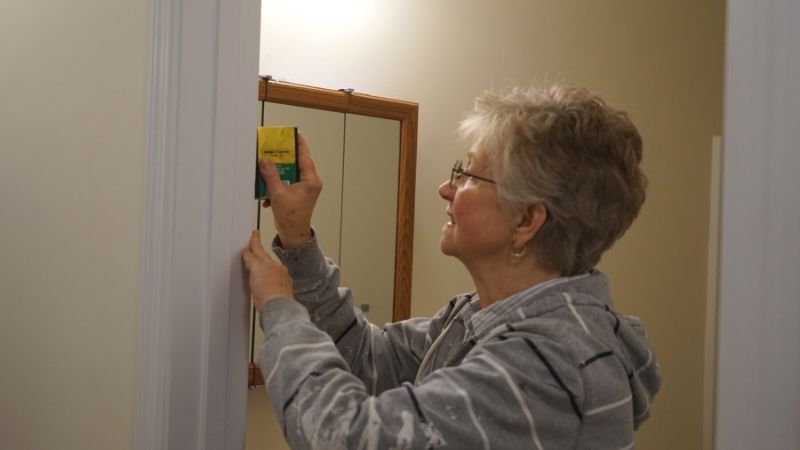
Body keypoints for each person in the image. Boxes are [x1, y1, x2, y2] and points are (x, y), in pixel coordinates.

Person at [242, 84, 661, 449]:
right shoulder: (479, 318)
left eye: (468, 175)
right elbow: (370, 361)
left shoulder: (551, 362)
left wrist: (281, 309)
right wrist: (296, 238)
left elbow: (349, 437)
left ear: (526, 220)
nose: (446, 187)